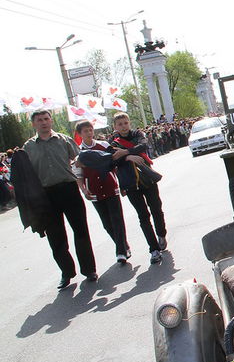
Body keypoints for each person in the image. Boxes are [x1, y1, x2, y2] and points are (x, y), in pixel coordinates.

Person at [20, 109, 97, 289]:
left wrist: (87, 182)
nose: (44, 122)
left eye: (46, 119)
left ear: (51, 121)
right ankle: (67, 272)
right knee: (56, 237)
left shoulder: (64, 140)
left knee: (81, 231)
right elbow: (25, 176)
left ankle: (89, 270)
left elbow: (80, 159)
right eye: (39, 120)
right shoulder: (28, 147)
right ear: (34, 124)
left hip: (69, 190)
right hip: (46, 196)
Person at [110, 112, 168, 264]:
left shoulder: (137, 134)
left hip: (146, 178)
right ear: (115, 126)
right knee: (143, 216)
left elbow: (143, 145)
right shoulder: (113, 141)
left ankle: (161, 234)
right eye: (120, 124)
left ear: (129, 123)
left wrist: (126, 152)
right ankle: (153, 249)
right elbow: (113, 159)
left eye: (125, 123)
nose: (123, 126)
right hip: (130, 183)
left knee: (156, 209)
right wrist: (128, 157)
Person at [74, 120, 132, 264]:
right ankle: (123, 245)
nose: (88, 133)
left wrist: (122, 184)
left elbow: (115, 165)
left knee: (117, 219)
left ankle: (120, 251)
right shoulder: (78, 152)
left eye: (90, 130)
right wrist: (83, 189)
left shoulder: (104, 145)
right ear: (80, 134)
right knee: (107, 223)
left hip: (110, 186)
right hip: (94, 191)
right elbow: (78, 174)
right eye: (85, 131)